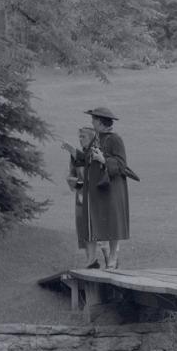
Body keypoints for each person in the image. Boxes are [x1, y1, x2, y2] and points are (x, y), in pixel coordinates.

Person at [83, 106, 132, 270]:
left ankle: (113, 256)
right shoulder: (96, 138)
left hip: (113, 186)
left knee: (113, 220)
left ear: (101, 122)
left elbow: (121, 164)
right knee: (102, 220)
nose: (92, 122)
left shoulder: (115, 139)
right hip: (100, 188)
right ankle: (106, 256)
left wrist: (103, 159)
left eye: (94, 120)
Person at [65, 125, 98, 266]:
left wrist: (74, 151)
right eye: (79, 136)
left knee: (94, 228)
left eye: (83, 137)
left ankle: (109, 261)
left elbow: (95, 174)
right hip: (80, 195)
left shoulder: (95, 152)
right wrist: (72, 181)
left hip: (94, 197)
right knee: (83, 227)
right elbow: (71, 173)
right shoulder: (75, 155)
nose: (80, 139)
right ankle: (90, 260)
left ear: (91, 138)